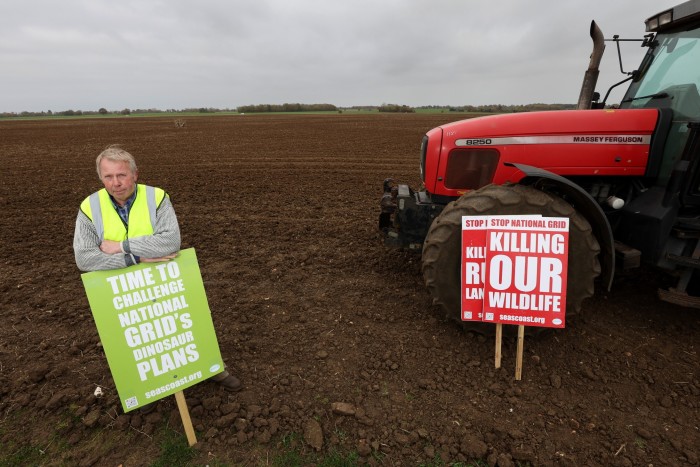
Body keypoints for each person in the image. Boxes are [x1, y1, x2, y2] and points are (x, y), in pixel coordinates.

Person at [73, 145, 241, 404]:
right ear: (101, 178)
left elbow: (170, 242)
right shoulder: (89, 207)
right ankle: (145, 387)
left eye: (122, 175)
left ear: (135, 174)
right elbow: (84, 258)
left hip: (164, 281)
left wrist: (121, 246)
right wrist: (134, 258)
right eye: (108, 177)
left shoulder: (157, 197)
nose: (116, 183)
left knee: (185, 328)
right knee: (139, 340)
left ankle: (211, 369)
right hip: (121, 288)